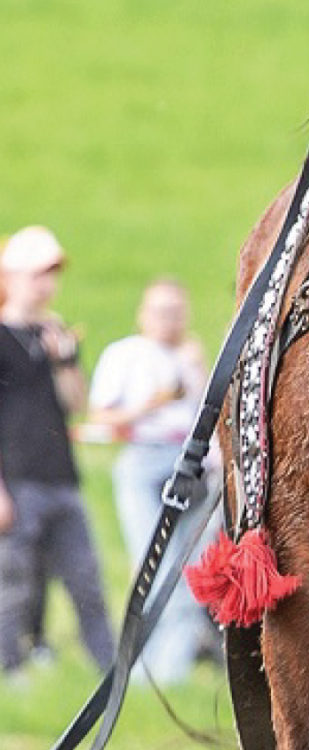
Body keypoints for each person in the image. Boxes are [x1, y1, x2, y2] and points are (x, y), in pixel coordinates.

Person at [0, 226, 116, 676]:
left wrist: (64, 359)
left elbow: (75, 405)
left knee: (85, 581)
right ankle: (11, 672)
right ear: (12, 275)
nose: (45, 284)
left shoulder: (56, 333)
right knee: (16, 585)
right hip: (17, 478)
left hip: (61, 478)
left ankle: (110, 673)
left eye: (51, 274)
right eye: (37, 274)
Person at [88, 279, 213, 684]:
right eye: (161, 312)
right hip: (145, 458)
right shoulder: (125, 355)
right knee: (152, 564)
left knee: (190, 565)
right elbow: (101, 417)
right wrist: (155, 402)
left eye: (176, 312)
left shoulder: (190, 357)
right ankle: (145, 673)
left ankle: (169, 671)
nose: (169, 321)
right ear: (144, 315)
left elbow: (203, 416)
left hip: (191, 466)